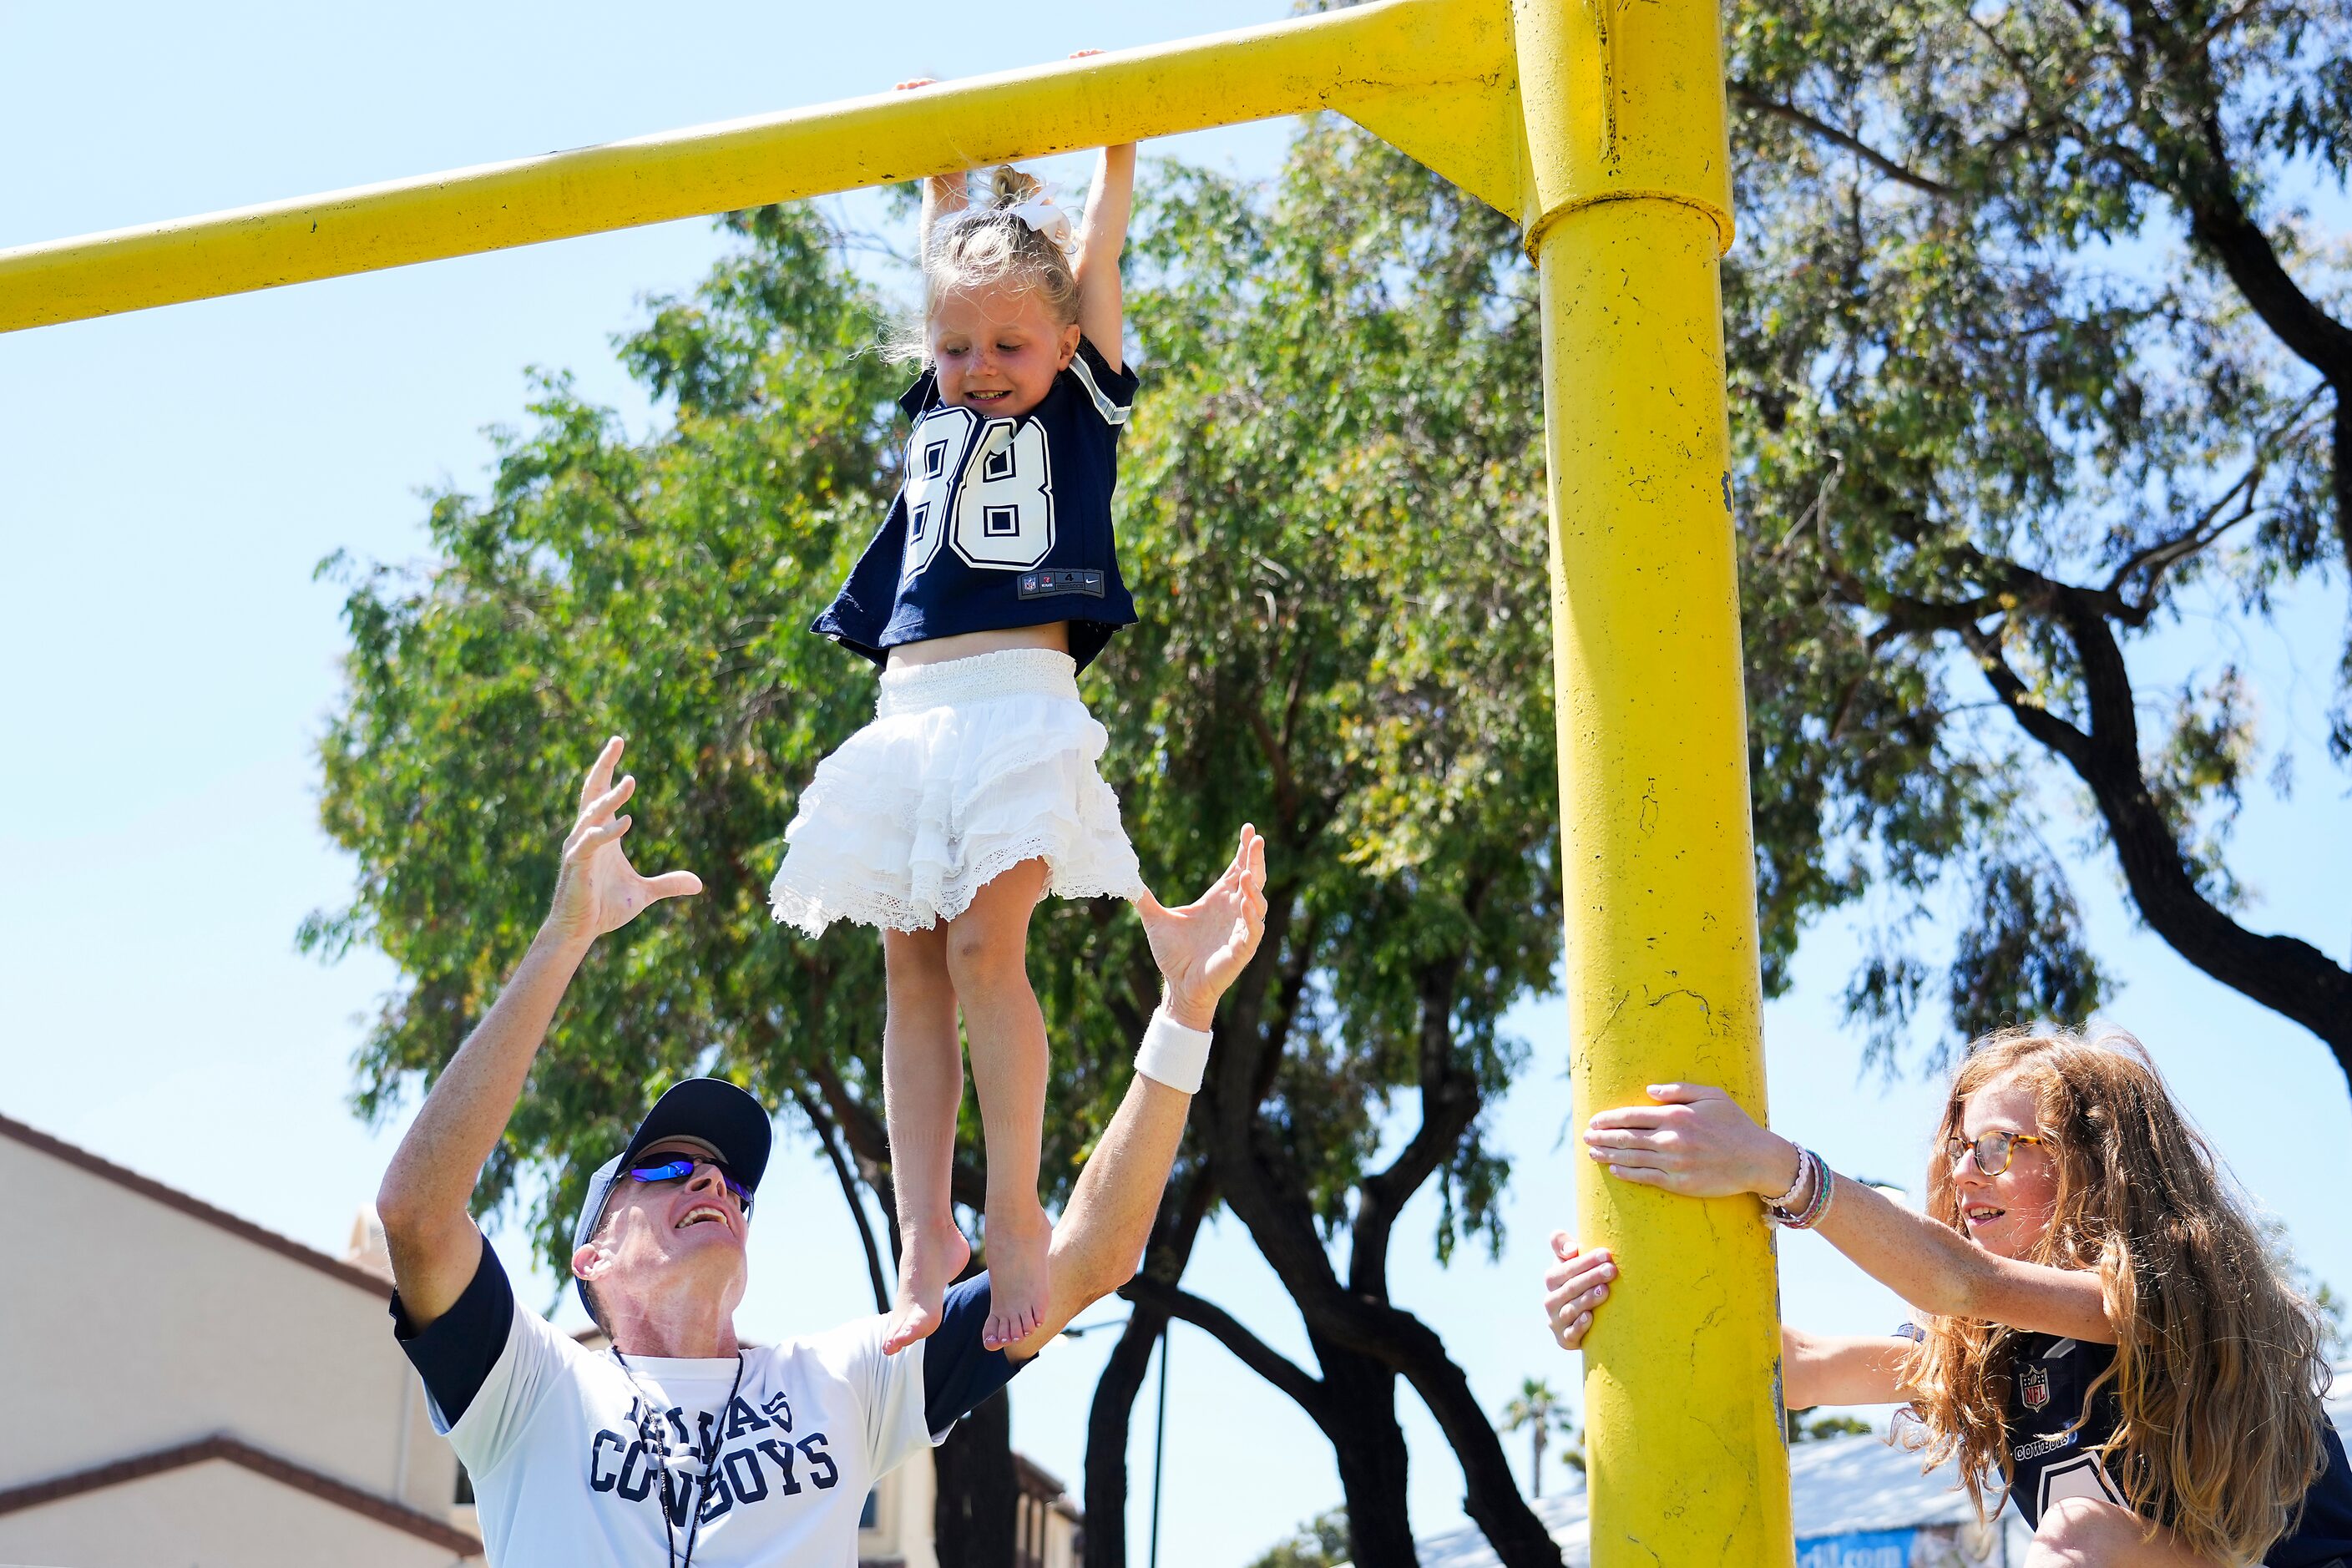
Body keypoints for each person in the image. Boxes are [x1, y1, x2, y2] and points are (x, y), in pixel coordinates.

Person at [378, 735, 1266, 1566]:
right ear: (593, 1254)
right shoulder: (529, 1392)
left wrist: (1184, 1015)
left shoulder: (843, 1386)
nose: (713, 1181)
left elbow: (1090, 1259)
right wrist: (563, 936)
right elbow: (417, 1214)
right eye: (664, 1168)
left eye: (730, 1178)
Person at [769, 96, 1148, 1358]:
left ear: (1061, 343)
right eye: (958, 347)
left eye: (1009, 344)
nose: (983, 366)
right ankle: (922, 1220)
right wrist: (946, 182)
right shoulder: (938, 401)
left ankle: (1019, 1208)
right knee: (912, 965)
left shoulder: (1079, 397)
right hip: (911, 708)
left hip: (1017, 703)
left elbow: (1095, 254)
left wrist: (1119, 149)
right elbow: (950, 261)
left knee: (990, 948)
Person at [1544, 1026, 2352, 1566]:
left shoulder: (2161, 1302)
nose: (1965, 1173)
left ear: (2094, 1163)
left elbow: (1964, 1279)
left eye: (2000, 1147)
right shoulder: (1989, 1356)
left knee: (2076, 1533)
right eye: (1961, 1148)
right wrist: (1617, 1298)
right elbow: (1796, 1367)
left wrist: (1779, 1170)